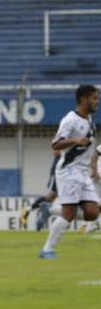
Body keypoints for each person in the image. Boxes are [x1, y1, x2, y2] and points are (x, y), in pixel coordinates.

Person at [39, 84, 99, 259]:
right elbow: (55, 144)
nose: (97, 101)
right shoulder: (70, 120)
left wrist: (92, 166)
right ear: (83, 99)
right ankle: (47, 250)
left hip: (83, 172)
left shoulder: (89, 120)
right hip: (69, 171)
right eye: (94, 98)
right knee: (69, 214)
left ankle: (50, 210)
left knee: (93, 212)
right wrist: (75, 140)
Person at [19, 148, 61, 231]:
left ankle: (30, 212)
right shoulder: (64, 137)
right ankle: (37, 216)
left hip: (65, 173)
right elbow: (56, 151)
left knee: (50, 199)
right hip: (58, 173)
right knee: (53, 198)